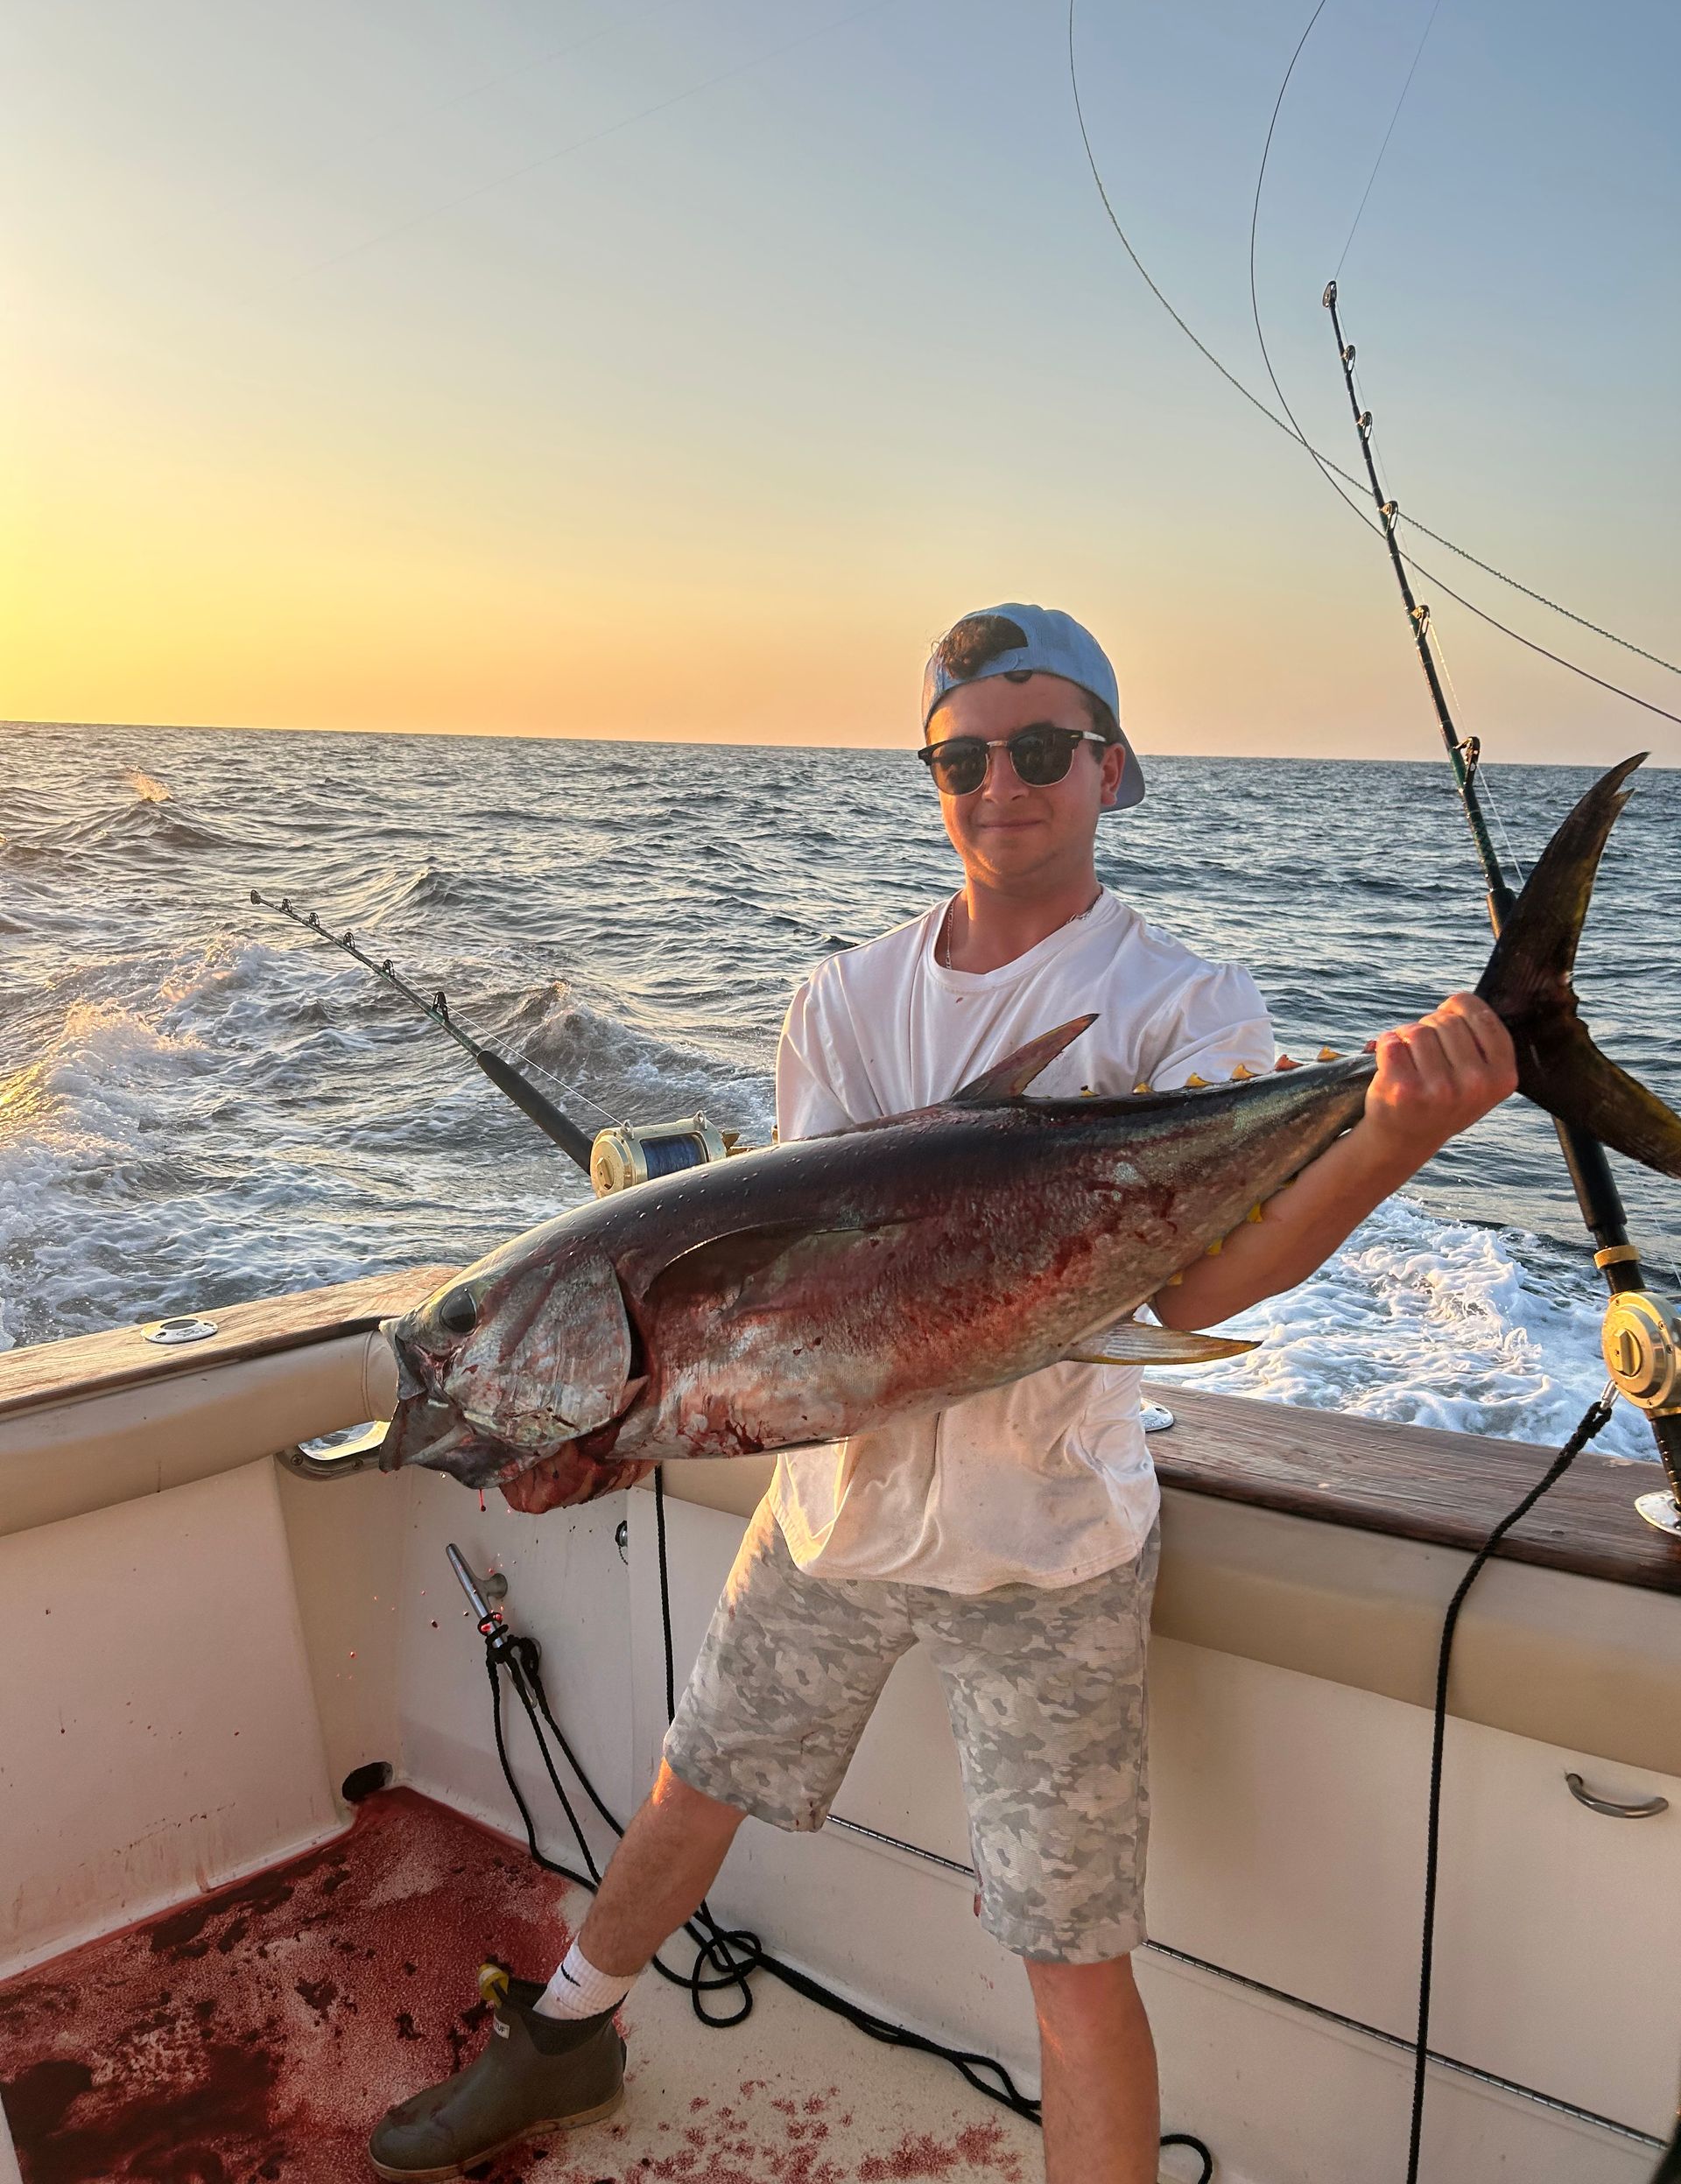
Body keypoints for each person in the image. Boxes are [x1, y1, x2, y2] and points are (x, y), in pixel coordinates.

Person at [369, 603, 1517, 2184]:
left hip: (1047, 1543)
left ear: (1114, 770)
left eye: (1043, 749)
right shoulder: (842, 1001)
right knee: (694, 1784)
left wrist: (1388, 1140)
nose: (1002, 782)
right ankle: (563, 2037)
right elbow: (799, 1331)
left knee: (1069, 1950)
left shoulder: (1187, 1008)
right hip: (832, 1517)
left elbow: (1189, 1291)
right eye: (961, 755)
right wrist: (621, 1429)